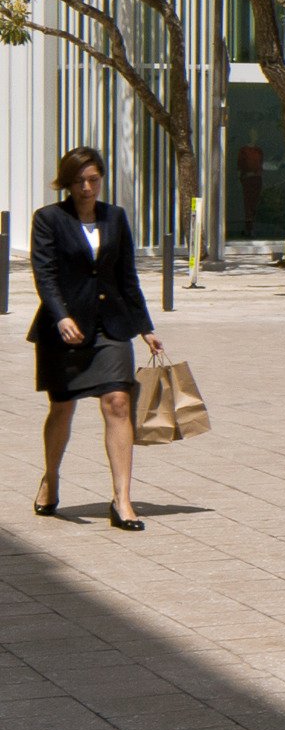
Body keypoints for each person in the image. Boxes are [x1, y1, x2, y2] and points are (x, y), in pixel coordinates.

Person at [28, 146, 163, 529]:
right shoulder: (49, 219)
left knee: (118, 402)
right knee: (62, 409)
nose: (88, 188)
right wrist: (61, 317)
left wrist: (145, 327)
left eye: (94, 180)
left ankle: (122, 500)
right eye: (80, 181)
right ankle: (51, 480)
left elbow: (127, 277)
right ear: (67, 183)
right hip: (65, 331)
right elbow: (46, 275)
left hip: (111, 325)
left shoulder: (115, 218)